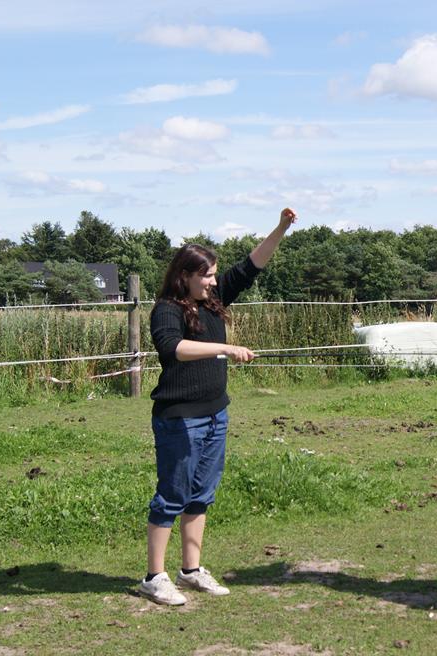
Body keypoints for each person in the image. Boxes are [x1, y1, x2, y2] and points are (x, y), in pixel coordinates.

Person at [137, 208, 297, 605]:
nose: (212, 281)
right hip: (180, 419)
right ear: (185, 276)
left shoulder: (213, 300)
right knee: (171, 495)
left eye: (213, 275)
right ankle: (153, 577)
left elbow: (253, 264)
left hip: (215, 414)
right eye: (205, 275)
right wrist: (225, 347)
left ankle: (190, 570)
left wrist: (280, 229)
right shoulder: (167, 310)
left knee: (201, 494)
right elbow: (174, 348)